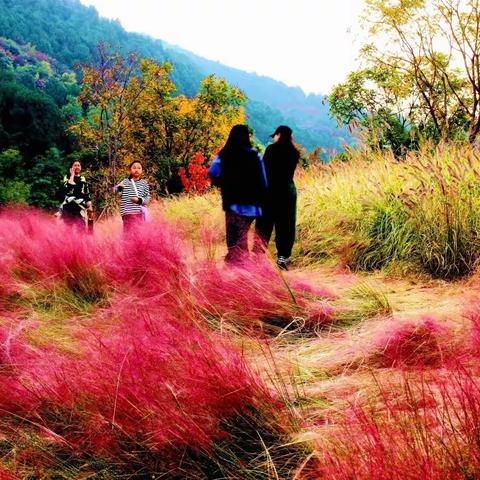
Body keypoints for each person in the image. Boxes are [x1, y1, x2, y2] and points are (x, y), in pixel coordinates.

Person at [208, 124, 267, 265]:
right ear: (247, 137)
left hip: (233, 204)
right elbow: (264, 181)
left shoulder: (225, 154)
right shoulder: (255, 155)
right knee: (242, 236)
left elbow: (212, 172)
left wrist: (224, 183)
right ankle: (240, 268)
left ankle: (239, 269)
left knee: (234, 238)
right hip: (253, 206)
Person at [254, 125, 300, 270]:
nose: (273, 138)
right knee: (286, 226)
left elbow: (264, 172)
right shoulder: (294, 153)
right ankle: (281, 259)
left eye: (275, 135)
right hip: (287, 192)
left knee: (264, 224)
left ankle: (258, 257)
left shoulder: (271, 150)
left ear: (279, 135)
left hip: (271, 192)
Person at [115, 160, 151, 232]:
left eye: (139, 168)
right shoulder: (125, 182)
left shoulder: (144, 183)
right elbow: (115, 191)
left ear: (142, 170)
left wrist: (139, 200)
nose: (136, 170)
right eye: (134, 168)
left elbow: (147, 198)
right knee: (128, 236)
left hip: (139, 214)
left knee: (138, 236)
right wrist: (119, 188)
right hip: (127, 214)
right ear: (130, 170)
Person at [60, 160, 93, 231]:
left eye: (78, 165)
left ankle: (90, 235)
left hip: (79, 207)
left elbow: (86, 192)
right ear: (71, 167)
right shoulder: (67, 177)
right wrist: (72, 175)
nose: (77, 167)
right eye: (75, 165)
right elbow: (68, 187)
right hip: (68, 206)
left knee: (81, 229)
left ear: (81, 167)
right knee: (68, 229)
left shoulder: (83, 178)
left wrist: (89, 204)